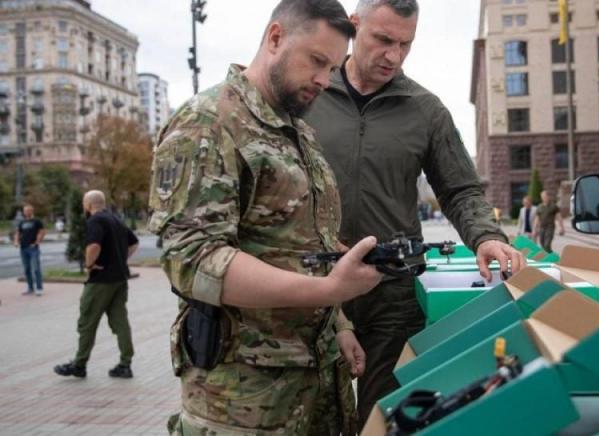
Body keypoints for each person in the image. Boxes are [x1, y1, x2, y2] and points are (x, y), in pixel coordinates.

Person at [147, 1, 382, 434]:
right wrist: (327, 289)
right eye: (316, 61)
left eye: (332, 68)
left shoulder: (297, 132)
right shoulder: (207, 123)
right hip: (245, 402)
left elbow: (311, 248)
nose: (324, 80)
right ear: (275, 38)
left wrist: (339, 321)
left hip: (316, 387)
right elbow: (193, 260)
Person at [305, 0, 525, 426]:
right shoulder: (310, 92)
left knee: (380, 421)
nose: (394, 55)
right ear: (354, 27)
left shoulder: (425, 109)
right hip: (312, 289)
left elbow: (460, 188)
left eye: (406, 44)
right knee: (314, 420)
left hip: (392, 297)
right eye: (383, 40)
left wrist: (486, 236)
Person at [54, 190, 138, 379]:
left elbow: (93, 246)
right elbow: (133, 243)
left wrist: (89, 265)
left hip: (100, 280)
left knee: (87, 322)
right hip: (120, 279)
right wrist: (120, 260)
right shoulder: (115, 219)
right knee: (120, 321)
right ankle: (126, 364)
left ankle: (79, 364)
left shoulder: (96, 221)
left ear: (88, 204)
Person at [14, 204, 46, 296]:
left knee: (36, 268)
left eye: (28, 210)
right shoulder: (22, 222)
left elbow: (42, 232)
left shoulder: (37, 221)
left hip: (33, 248)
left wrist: (37, 242)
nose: (26, 212)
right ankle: (30, 288)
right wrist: (16, 241)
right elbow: (18, 233)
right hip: (23, 248)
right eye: (24, 211)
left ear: (32, 211)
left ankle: (39, 288)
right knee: (27, 269)